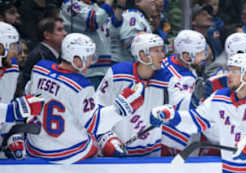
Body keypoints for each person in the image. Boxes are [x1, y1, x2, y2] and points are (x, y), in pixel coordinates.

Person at [24, 33, 145, 163]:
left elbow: (28, 92)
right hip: (64, 154)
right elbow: (95, 125)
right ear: (76, 60)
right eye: (88, 58)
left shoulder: (39, 68)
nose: (90, 62)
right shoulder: (81, 86)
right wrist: (122, 107)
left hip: (34, 147)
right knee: (100, 143)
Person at [95, 32, 189, 156]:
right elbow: (97, 112)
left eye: (162, 50)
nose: (163, 55)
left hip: (152, 157)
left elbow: (181, 103)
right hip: (118, 156)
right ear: (143, 55)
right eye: (157, 51)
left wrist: (194, 99)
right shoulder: (118, 74)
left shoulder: (166, 78)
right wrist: (109, 141)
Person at [0, 21, 43, 160]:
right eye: (13, 46)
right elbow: (10, 110)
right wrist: (15, 111)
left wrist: (11, 135)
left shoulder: (11, 66)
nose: (17, 51)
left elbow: (6, 101)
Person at [60, 0, 116, 88]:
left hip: (104, 68)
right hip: (87, 71)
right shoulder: (70, 4)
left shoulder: (97, 7)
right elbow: (94, 21)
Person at [161, 29, 208, 110]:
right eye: (199, 54)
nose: (204, 57)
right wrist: (198, 97)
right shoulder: (176, 79)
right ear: (186, 56)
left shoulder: (171, 60)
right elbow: (181, 107)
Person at [22, 17, 67, 88]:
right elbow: (26, 86)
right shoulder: (37, 55)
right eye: (59, 30)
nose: (65, 33)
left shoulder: (61, 53)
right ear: (47, 35)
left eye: (64, 29)